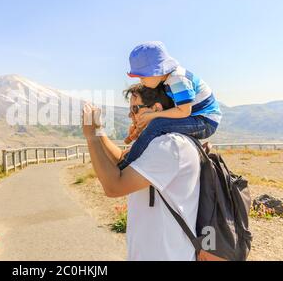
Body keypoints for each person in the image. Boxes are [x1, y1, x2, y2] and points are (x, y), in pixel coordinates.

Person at [82, 84, 201, 261]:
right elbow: (123, 160)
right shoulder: (157, 141)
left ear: (156, 109)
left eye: (135, 109)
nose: (131, 115)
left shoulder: (169, 146)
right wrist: (99, 131)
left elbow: (114, 187)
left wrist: (91, 136)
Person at [118, 41, 222, 170]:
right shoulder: (169, 79)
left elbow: (184, 111)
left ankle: (128, 163)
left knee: (158, 124)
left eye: (143, 77)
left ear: (156, 70)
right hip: (198, 118)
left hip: (205, 121)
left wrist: (152, 116)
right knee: (158, 124)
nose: (141, 81)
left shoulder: (178, 79)